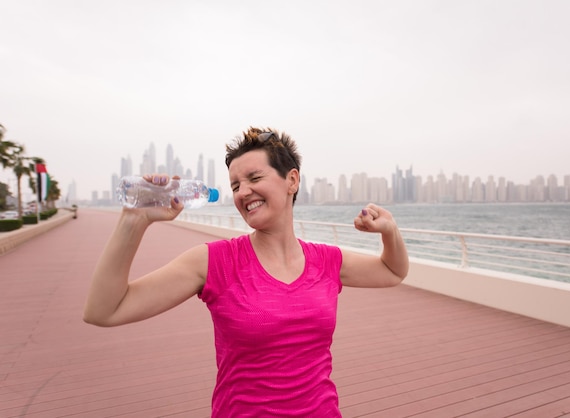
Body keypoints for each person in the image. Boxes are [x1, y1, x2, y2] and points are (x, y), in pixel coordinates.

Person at [83, 127, 409, 417]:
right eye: (235, 185)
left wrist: (389, 231)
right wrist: (134, 220)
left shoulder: (326, 261)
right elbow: (105, 310)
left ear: (292, 180)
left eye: (254, 179)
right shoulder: (214, 262)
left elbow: (392, 271)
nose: (242, 193)